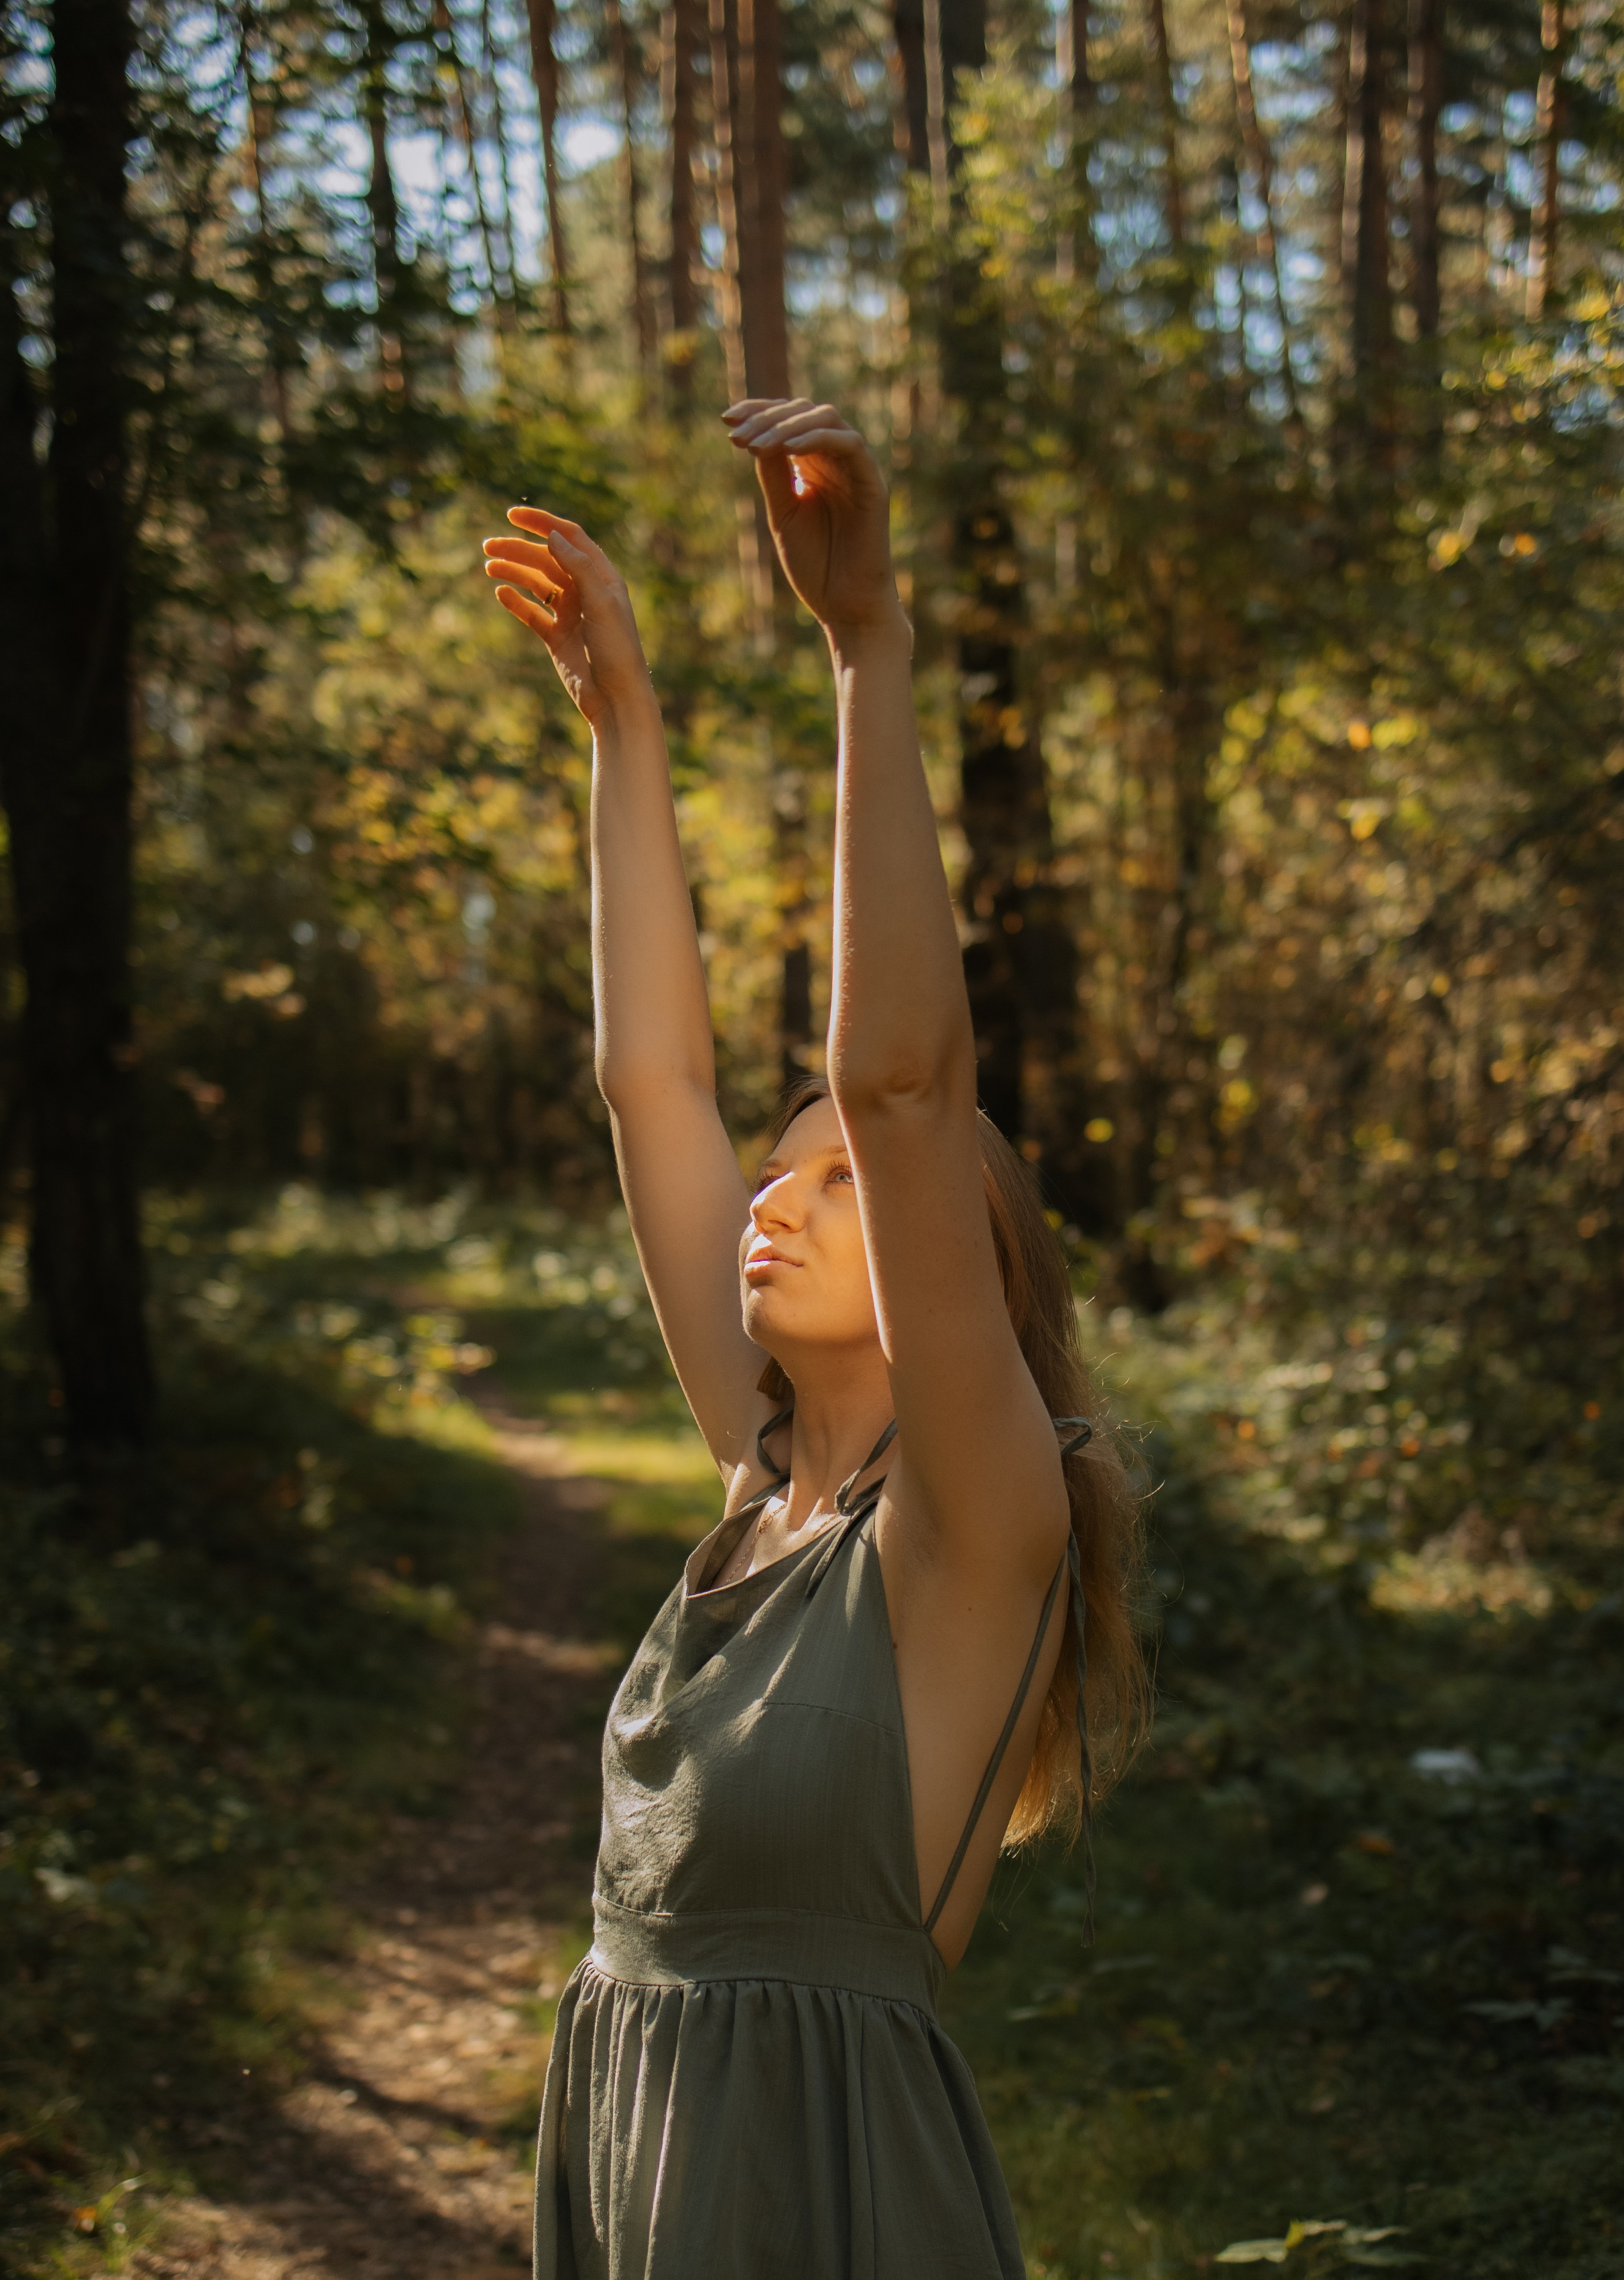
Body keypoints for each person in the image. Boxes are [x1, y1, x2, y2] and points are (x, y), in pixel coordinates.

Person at [481, 400, 1146, 2279]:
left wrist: (866, 646)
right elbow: (651, 1079)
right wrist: (622, 723)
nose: (776, 1200)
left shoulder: (982, 1521)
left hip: (829, 2207)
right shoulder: (758, 1474)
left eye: (833, 1187)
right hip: (634, 2170)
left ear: (964, 1271)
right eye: (779, 1181)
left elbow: (909, 1081)